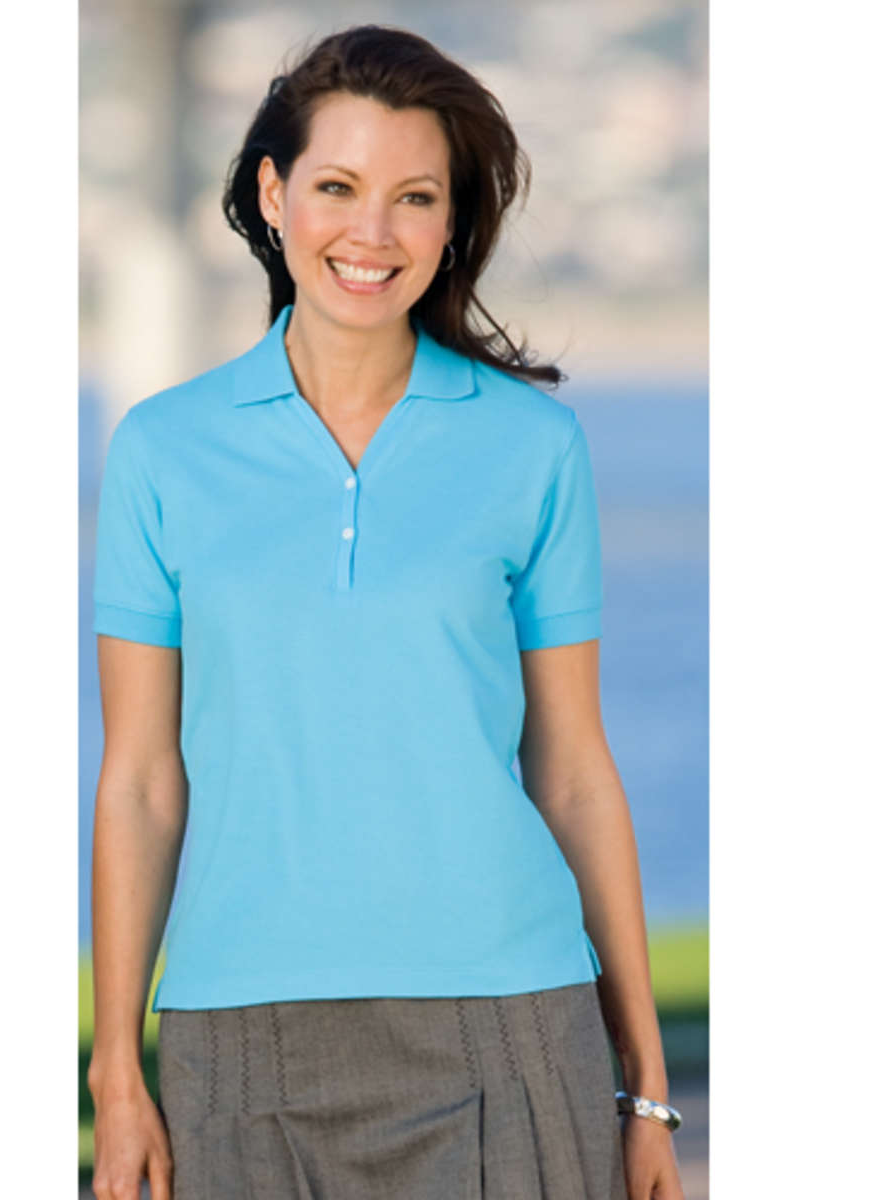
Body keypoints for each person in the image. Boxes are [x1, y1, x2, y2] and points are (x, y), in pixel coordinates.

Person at [87, 23, 684, 1200]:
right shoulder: (163, 450)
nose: (373, 233)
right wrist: (117, 1074)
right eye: (338, 188)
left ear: (452, 225)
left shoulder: (532, 447)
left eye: (415, 198)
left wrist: (649, 1085)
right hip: (238, 1030)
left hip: (511, 1018)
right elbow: (143, 781)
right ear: (273, 195)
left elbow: (572, 770)